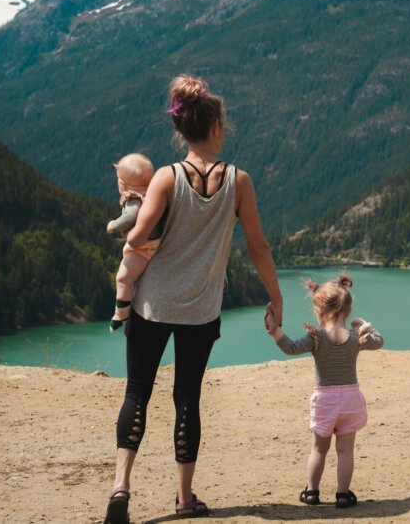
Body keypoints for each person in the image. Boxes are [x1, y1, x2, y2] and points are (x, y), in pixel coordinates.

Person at [104, 75, 284, 524]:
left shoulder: (165, 177)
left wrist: (130, 239)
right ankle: (184, 499)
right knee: (188, 399)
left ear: (182, 130)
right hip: (201, 311)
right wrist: (276, 296)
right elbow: (258, 247)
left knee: (137, 393)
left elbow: (140, 234)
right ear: (217, 127)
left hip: (151, 306)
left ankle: (120, 488)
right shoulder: (239, 182)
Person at [265, 273, 384, 509]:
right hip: (351, 400)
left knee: (319, 449)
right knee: (345, 451)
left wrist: (274, 330)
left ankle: (312, 492)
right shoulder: (355, 337)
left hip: (325, 401)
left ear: (319, 311)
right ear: (348, 311)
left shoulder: (316, 338)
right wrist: (364, 325)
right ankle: (342, 494)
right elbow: (379, 341)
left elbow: (290, 347)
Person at [105, 153, 164, 332]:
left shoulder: (134, 199)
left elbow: (129, 218)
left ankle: (120, 313)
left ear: (122, 183)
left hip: (144, 248)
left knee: (123, 278)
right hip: (157, 242)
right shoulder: (154, 193)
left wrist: (113, 226)